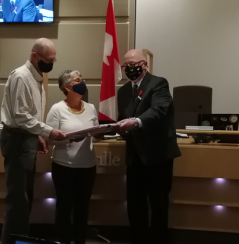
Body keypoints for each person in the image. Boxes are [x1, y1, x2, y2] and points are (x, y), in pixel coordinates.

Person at [0, 38, 67, 244]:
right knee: (18, 200)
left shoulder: (36, 77)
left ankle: (21, 240)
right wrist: (47, 131)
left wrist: (37, 134)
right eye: (49, 59)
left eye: (54, 60)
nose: (52, 64)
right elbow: (21, 116)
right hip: (17, 140)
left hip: (25, 137)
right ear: (34, 56)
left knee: (25, 196)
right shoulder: (22, 77)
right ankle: (13, 242)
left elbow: (30, 116)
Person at [117, 49, 182, 244]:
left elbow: (159, 111)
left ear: (144, 65)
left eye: (133, 64)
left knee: (159, 205)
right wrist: (119, 127)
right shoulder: (122, 91)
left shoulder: (158, 84)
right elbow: (123, 117)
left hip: (157, 156)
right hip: (134, 157)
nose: (130, 68)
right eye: (126, 65)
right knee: (135, 205)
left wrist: (135, 122)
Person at [46, 70, 102, 244]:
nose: (82, 83)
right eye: (78, 80)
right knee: (64, 208)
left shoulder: (91, 107)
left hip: (88, 166)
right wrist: (68, 138)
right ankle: (63, 241)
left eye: (82, 79)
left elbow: (95, 132)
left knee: (82, 209)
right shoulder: (57, 109)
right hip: (65, 167)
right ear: (67, 87)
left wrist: (101, 133)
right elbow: (49, 139)